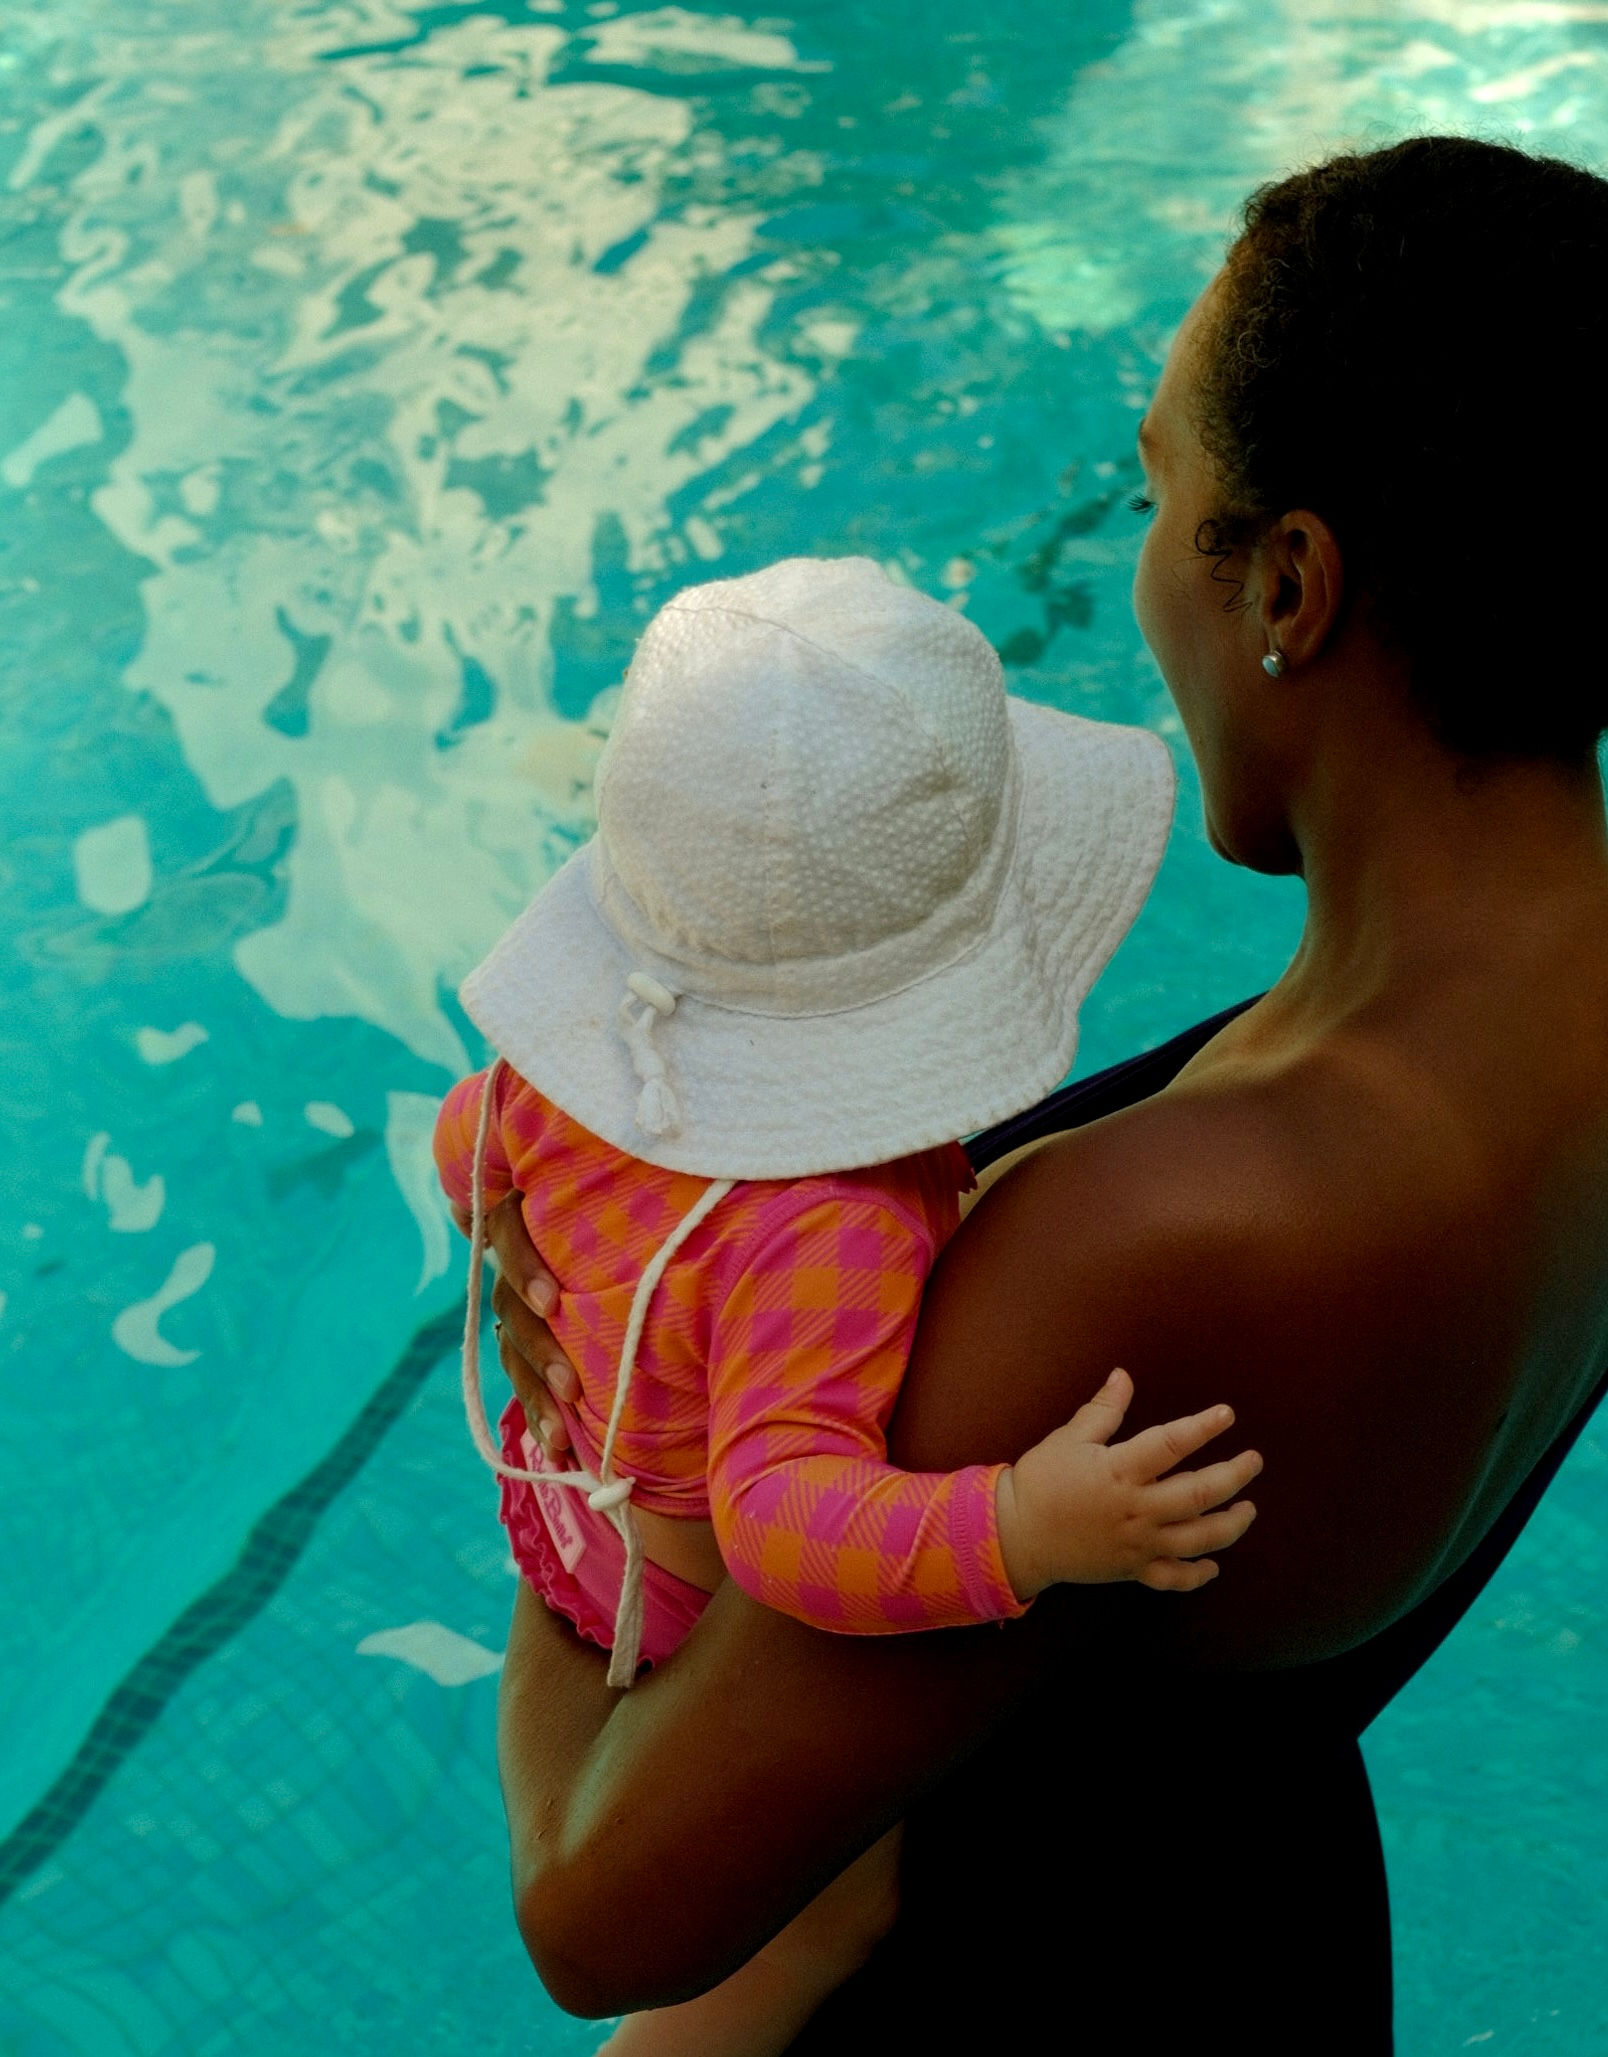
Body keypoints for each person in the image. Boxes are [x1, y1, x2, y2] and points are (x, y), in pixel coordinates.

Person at [479, 137, 1608, 2053]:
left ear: (1291, 583)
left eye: (1163, 494)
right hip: (1263, 1937)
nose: (1148, 564)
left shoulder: (1148, 1247)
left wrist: (578, 1407)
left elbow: (596, 1907)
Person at [432, 555, 1260, 2054]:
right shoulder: (835, 1221)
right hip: (671, 1600)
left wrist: (512, 1238)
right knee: (830, 1908)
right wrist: (1024, 1523)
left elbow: (463, 1140)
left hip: (562, 1506)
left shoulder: (559, 1067)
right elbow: (782, 1518)